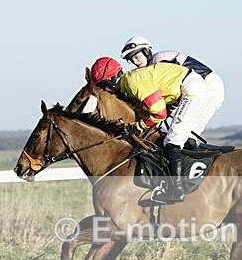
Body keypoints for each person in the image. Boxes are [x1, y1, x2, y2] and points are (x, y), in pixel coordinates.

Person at [89, 56, 215, 203]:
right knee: (181, 137)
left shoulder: (132, 82)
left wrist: (138, 127)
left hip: (191, 89)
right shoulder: (129, 81)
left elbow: (159, 113)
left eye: (102, 85)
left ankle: (177, 190)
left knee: (172, 141)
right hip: (191, 86)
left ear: (110, 80)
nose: (104, 90)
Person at [120, 36, 225, 142]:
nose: (135, 62)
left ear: (146, 51)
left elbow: (173, 89)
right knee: (187, 134)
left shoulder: (158, 61)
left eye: (137, 57)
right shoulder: (155, 64)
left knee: (182, 135)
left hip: (208, 88)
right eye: (131, 60)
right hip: (207, 87)